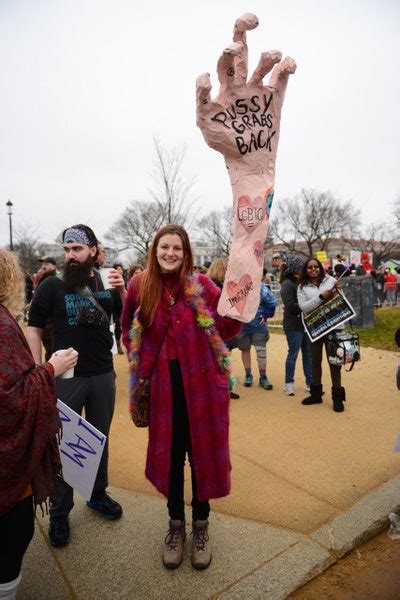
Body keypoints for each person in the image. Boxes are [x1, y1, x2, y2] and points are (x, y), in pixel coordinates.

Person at [121, 224, 241, 571]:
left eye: (176, 248)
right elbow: (129, 328)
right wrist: (144, 362)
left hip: (201, 386)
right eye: (164, 248)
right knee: (172, 459)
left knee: (201, 455)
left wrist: (240, 297)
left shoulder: (202, 285)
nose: (170, 253)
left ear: (185, 252)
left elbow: (227, 326)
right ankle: (176, 526)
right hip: (162, 388)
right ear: (154, 251)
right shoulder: (140, 285)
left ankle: (201, 526)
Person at [26, 224, 126, 548]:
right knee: (65, 444)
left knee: (99, 438)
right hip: (66, 376)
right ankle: (59, 513)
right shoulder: (51, 285)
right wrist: (37, 370)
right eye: (67, 249)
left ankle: (97, 494)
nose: (70, 256)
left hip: (102, 374)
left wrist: (122, 290)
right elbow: (34, 327)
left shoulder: (108, 281)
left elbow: (125, 316)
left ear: (94, 251)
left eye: (77, 250)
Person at [0, 249, 77, 600]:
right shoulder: (3, 325)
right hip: (7, 481)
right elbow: (10, 396)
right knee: (11, 540)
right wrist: (49, 370)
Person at [297, 258, 345, 412]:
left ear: (320, 268)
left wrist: (338, 290)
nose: (313, 270)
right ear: (306, 269)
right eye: (310, 267)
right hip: (315, 329)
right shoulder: (302, 287)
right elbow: (304, 307)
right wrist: (321, 297)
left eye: (316, 267)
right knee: (315, 362)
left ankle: (337, 398)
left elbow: (340, 299)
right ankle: (316, 394)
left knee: (334, 362)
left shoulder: (331, 280)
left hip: (334, 326)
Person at [279, 255, 313, 396]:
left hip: (306, 324)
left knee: (308, 355)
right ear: (295, 268)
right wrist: (310, 304)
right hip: (293, 325)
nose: (305, 269)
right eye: (302, 267)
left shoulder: (303, 283)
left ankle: (310, 383)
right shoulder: (287, 284)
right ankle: (288, 383)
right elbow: (291, 307)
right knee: (293, 354)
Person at [207, 257, 240, 399]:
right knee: (223, 360)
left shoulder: (206, 288)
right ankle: (223, 387)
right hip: (222, 331)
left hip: (209, 331)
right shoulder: (225, 290)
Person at [237, 280, 277, 390]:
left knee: (261, 351)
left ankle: (263, 377)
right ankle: (248, 375)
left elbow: (272, 303)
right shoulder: (236, 286)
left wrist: (266, 314)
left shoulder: (261, 287)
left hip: (258, 326)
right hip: (242, 327)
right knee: (245, 349)